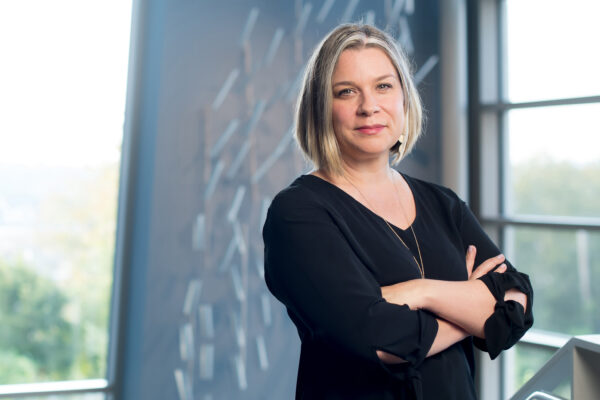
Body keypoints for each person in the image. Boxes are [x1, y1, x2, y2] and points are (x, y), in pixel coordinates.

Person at [262, 24, 533, 400]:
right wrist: (473, 306)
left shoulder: (443, 204)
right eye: (346, 91)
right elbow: (378, 340)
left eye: (383, 86)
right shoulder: (297, 213)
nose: (368, 106)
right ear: (321, 107)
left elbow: (517, 297)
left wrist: (421, 292)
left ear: (404, 98)